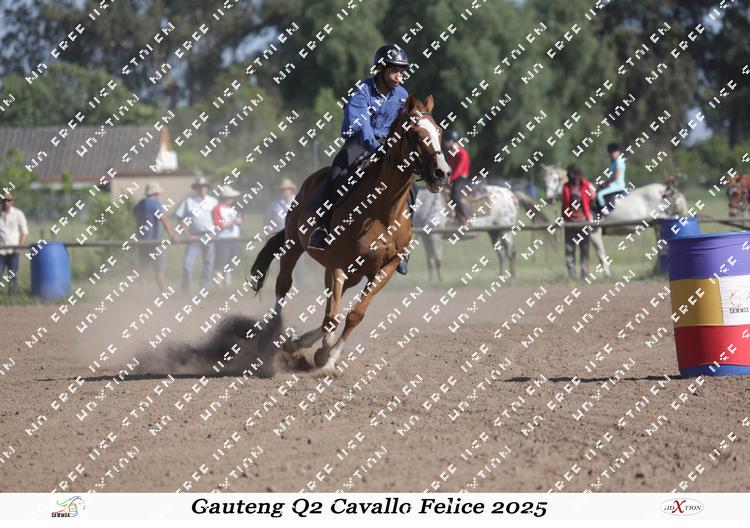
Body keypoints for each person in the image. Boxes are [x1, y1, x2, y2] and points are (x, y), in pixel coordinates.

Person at [307, 44, 415, 275]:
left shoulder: (403, 95)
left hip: (389, 147)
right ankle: (322, 228)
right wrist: (377, 148)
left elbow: (405, 127)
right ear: (381, 69)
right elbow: (362, 127)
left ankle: (404, 243)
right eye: (395, 70)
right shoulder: (362, 91)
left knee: (410, 185)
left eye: (402, 71)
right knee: (337, 174)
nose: (400, 75)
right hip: (359, 143)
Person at [174, 174, 218, 293]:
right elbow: (179, 217)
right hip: (194, 236)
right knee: (187, 264)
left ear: (207, 188)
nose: (202, 188)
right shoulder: (189, 201)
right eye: (200, 186)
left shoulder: (213, 201)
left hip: (209, 235)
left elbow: (218, 219)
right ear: (196, 188)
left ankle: (204, 289)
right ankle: (186, 290)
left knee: (208, 263)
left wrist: (216, 233)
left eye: (204, 186)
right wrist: (187, 234)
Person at [133, 182, 178, 293]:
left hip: (142, 242)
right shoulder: (155, 204)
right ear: (156, 193)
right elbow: (164, 220)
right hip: (154, 242)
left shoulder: (139, 205)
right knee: (159, 268)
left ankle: (143, 293)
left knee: (143, 268)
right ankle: (163, 293)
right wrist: (172, 235)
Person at [562, 164, 594, 279]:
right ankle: (572, 275)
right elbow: (564, 204)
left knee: (584, 249)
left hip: (583, 221)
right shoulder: (566, 187)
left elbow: (592, 199)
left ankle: (584, 275)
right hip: (570, 222)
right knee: (569, 250)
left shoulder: (586, 185)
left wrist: (589, 217)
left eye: (572, 174)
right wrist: (563, 218)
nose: (571, 176)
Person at [212, 186, 242, 289]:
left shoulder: (232, 209)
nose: (231, 199)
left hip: (234, 238)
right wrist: (233, 222)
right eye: (229, 197)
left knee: (230, 263)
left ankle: (227, 285)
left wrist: (239, 221)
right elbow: (218, 224)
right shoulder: (217, 208)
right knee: (221, 262)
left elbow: (235, 222)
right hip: (223, 239)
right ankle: (219, 285)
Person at [0, 191, 28, 295]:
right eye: (4, 200)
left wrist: (19, 248)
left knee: (12, 275)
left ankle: (12, 296)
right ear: (1, 202)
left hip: (14, 251)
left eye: (8, 200)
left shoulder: (18, 214)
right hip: (1, 251)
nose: (6, 203)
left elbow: (24, 233)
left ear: (12, 202)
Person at [443, 129, 471, 226]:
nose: (444, 143)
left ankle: (465, 218)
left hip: (461, 180)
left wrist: (448, 180)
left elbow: (459, 171)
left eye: (446, 141)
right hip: (453, 179)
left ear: (451, 141)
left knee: (455, 195)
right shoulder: (451, 154)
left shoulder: (462, 153)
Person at [596, 142, 627, 215]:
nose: (610, 154)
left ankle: (605, 211)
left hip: (618, 185)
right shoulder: (614, 162)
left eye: (612, 152)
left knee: (600, 194)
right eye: (610, 152)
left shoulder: (619, 162)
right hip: (613, 184)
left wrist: (606, 182)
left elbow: (616, 176)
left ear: (618, 152)